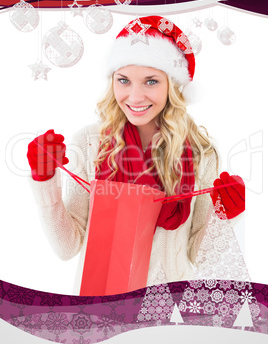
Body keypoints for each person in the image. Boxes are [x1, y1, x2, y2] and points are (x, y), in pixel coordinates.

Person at [27, 16, 245, 293]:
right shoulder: (89, 143)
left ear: (174, 86)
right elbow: (67, 248)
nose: (135, 96)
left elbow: (199, 256)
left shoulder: (202, 153)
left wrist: (224, 219)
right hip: (99, 307)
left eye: (151, 81)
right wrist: (44, 179)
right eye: (124, 80)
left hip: (167, 313)